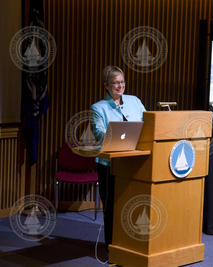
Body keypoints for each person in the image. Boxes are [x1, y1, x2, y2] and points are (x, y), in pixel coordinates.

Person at [91, 66, 146, 247]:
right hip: (109, 165)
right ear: (106, 85)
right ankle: (111, 247)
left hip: (134, 163)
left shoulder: (135, 101)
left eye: (122, 82)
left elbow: (149, 123)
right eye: (115, 82)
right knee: (112, 208)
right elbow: (99, 133)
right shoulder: (98, 108)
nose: (120, 86)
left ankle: (130, 245)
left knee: (132, 204)